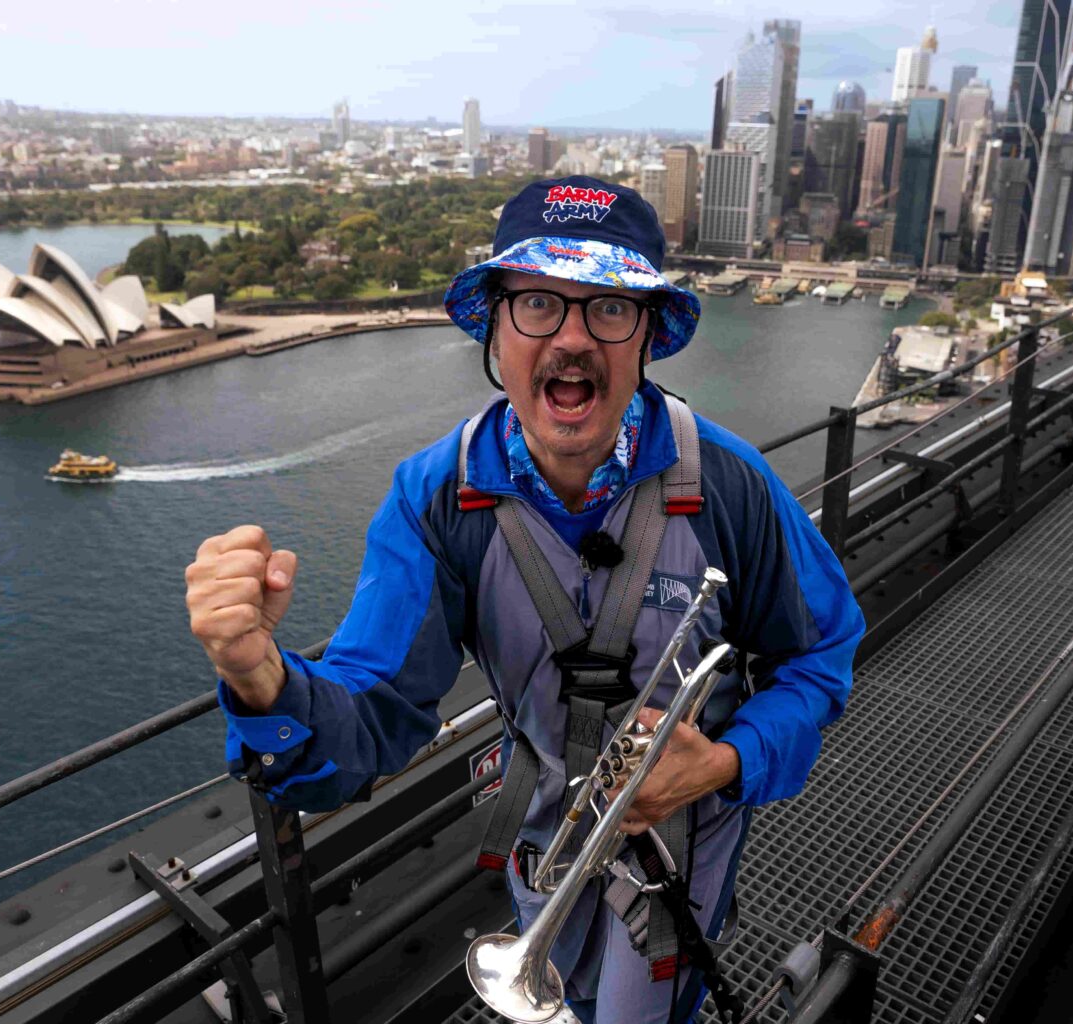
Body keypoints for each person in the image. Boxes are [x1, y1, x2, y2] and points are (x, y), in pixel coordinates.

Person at [184, 176, 864, 1024]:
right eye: (539, 303)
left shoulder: (728, 486)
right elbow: (378, 715)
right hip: (545, 836)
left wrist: (723, 764)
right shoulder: (435, 498)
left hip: (687, 838)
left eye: (610, 308)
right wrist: (259, 679)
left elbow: (820, 656)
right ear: (496, 330)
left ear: (646, 335)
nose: (573, 340)